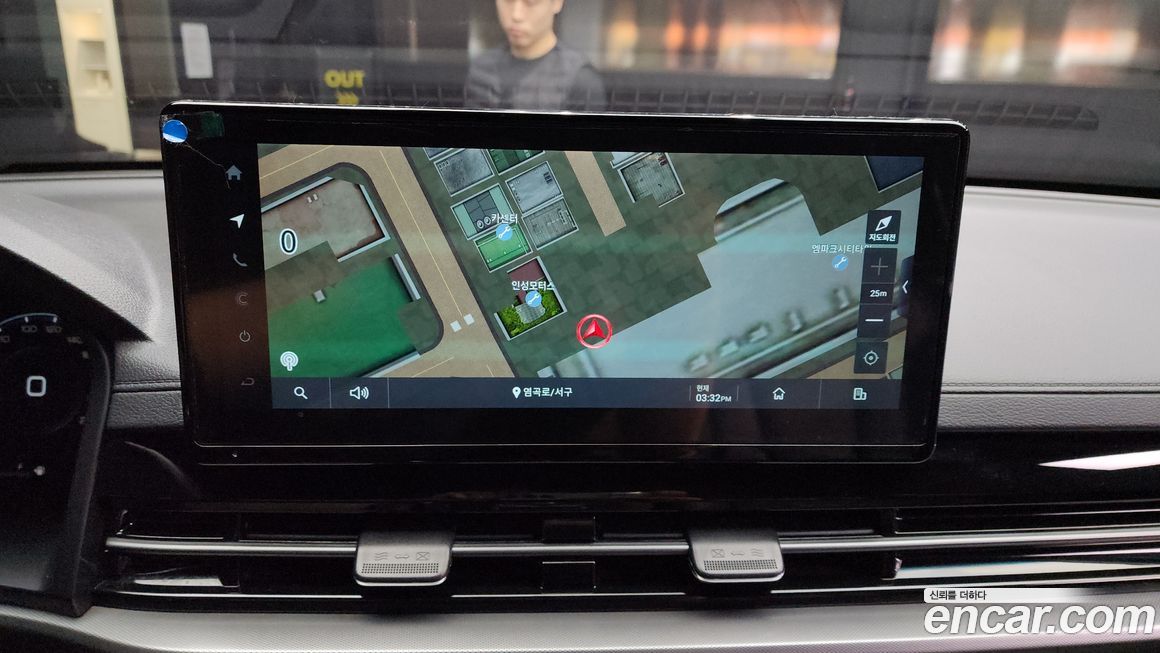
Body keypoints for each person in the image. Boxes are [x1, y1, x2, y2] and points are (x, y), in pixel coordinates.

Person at [465, 0, 606, 111]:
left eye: (531, 2)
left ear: (557, 3)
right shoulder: (482, 69)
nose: (516, 15)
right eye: (508, 1)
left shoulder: (579, 79)